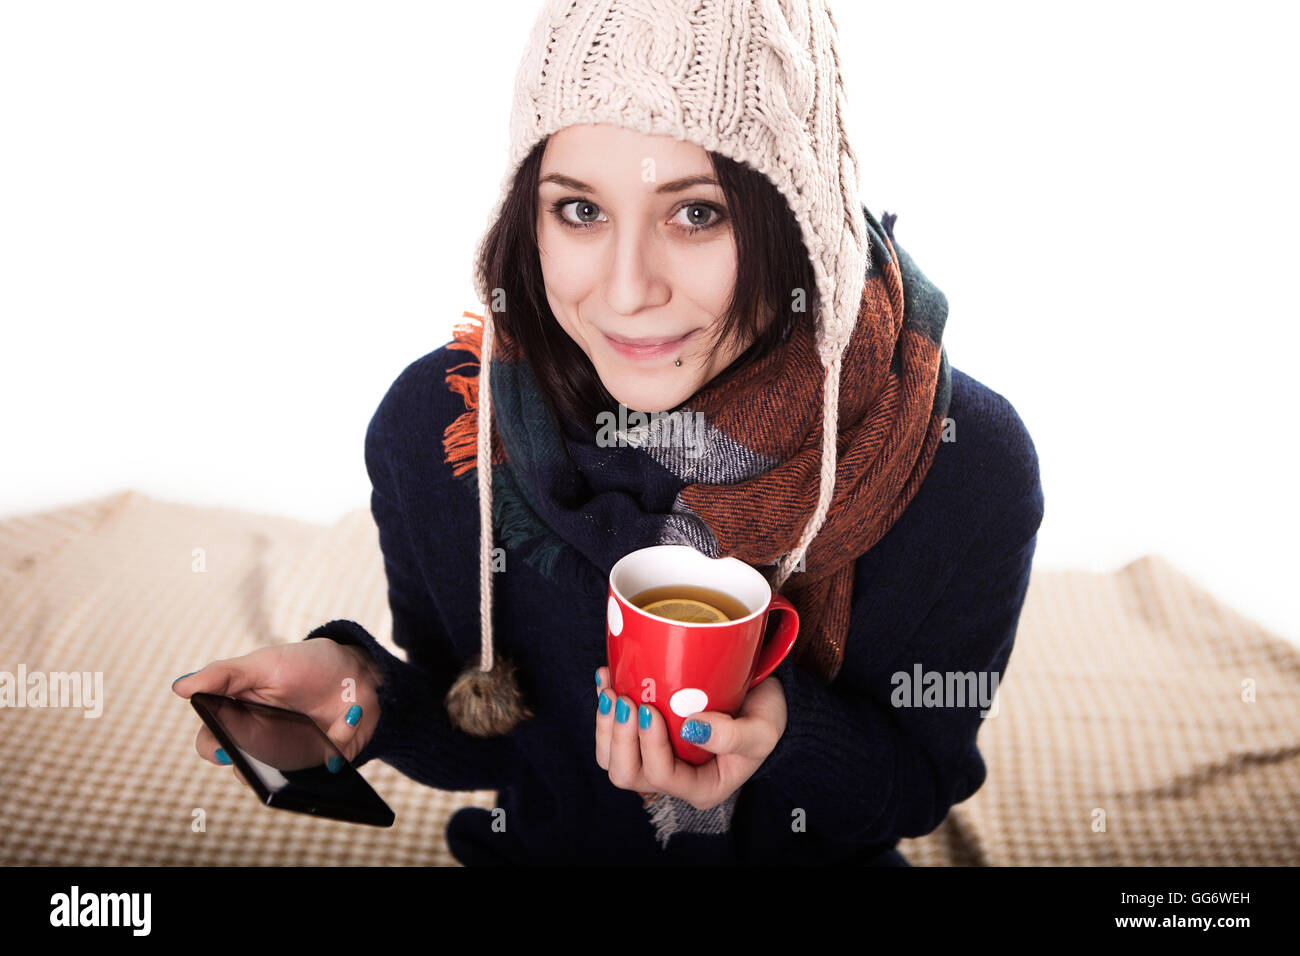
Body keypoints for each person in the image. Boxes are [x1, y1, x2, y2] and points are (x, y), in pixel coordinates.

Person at [173, 0, 1043, 866]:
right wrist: (362, 692)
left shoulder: (958, 458)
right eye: (580, 211)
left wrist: (784, 730)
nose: (627, 292)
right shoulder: (446, 433)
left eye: (697, 213)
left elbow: (917, 787)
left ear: (801, 218)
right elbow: (494, 743)